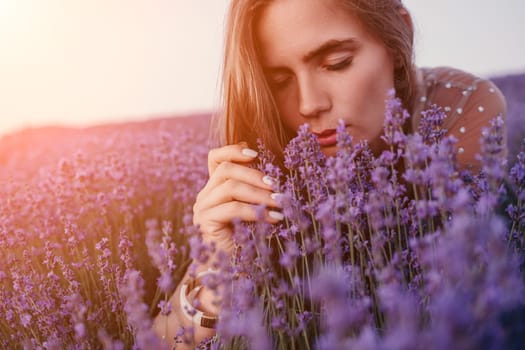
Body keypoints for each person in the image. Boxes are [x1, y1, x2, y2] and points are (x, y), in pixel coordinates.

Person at [153, 0, 507, 347]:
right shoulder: (266, 145)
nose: (309, 104)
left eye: (337, 63)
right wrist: (216, 269)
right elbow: (159, 341)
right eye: (279, 80)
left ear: (398, 41)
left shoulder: (456, 108)